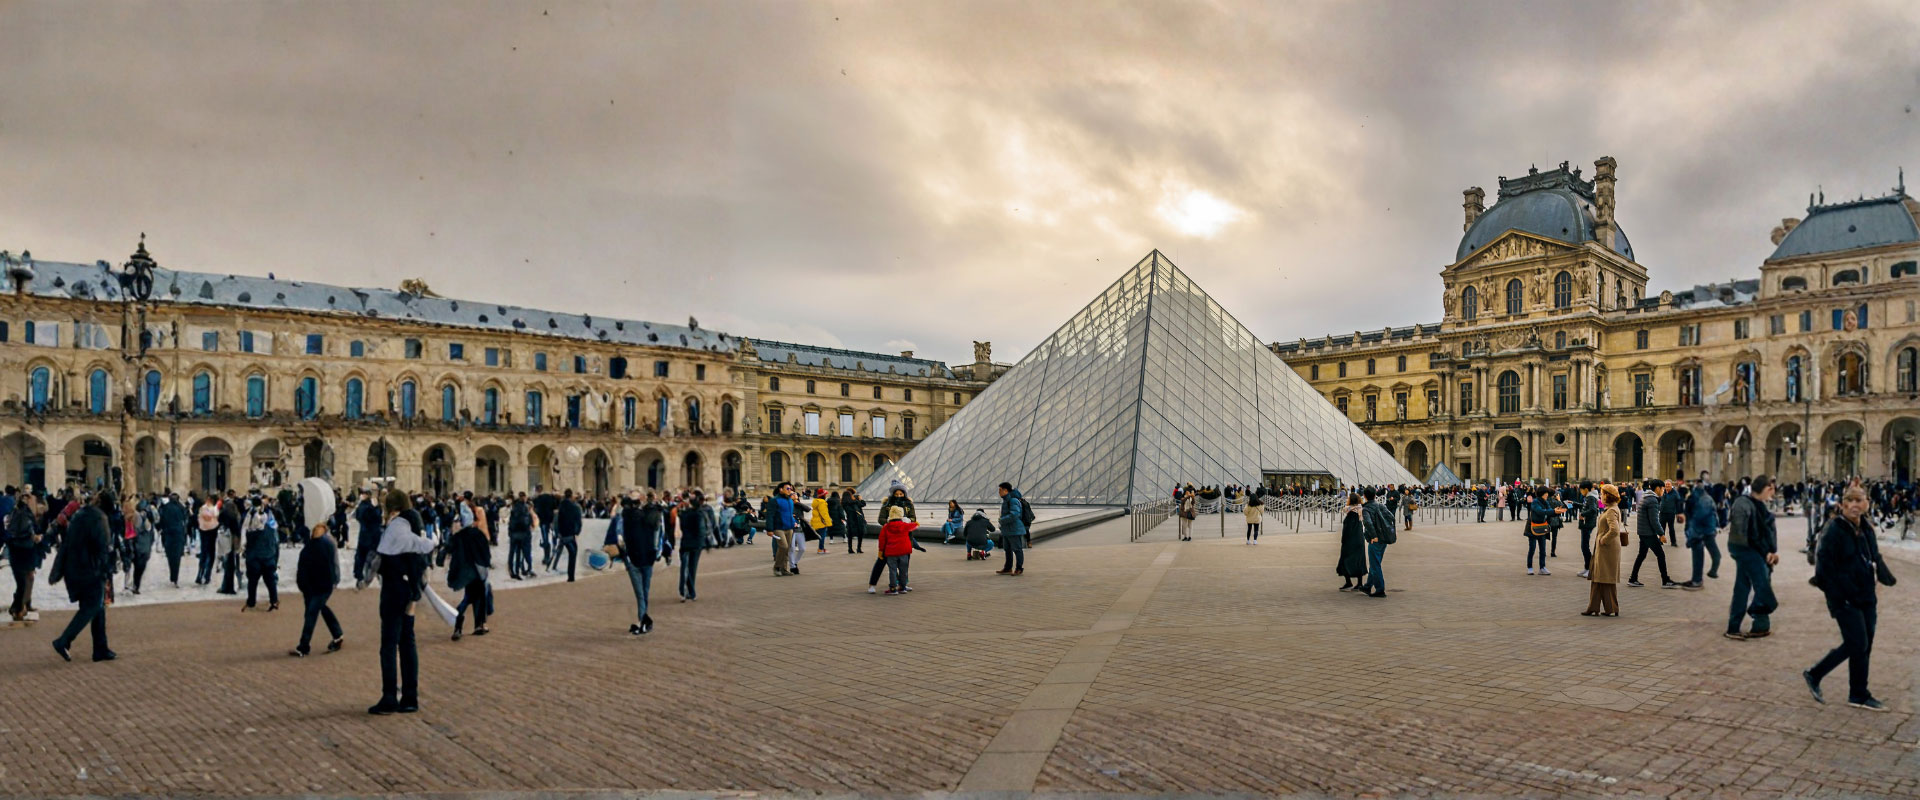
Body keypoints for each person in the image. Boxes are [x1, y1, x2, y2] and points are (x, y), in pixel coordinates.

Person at [1805, 485, 1895, 711]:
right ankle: (1818, 675)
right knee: (1858, 643)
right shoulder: (1834, 530)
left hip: (1866, 595)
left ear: (1866, 504)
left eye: (1859, 500)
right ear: (1843, 505)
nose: (1855, 505)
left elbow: (1874, 556)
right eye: (1851, 501)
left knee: (1864, 645)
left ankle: (1857, 694)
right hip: (1845, 599)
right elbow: (1823, 569)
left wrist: (1887, 578)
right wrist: (1838, 597)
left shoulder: (1866, 528)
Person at [371, 489, 435, 715]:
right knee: (407, 642)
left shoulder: (398, 527)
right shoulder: (413, 523)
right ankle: (410, 697)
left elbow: (384, 555)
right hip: (409, 588)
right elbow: (420, 555)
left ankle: (389, 697)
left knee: (389, 644)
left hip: (394, 590)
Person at [52, 490, 117, 663]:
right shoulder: (99, 519)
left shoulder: (81, 514)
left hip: (75, 568)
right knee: (91, 606)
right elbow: (103, 547)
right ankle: (64, 640)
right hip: (90, 570)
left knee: (97, 606)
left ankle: (100, 648)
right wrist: (106, 568)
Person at [290, 478, 344, 657]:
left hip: (323, 584)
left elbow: (333, 563)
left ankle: (303, 646)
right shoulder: (312, 541)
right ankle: (337, 635)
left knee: (311, 613)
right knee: (320, 609)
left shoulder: (327, 542)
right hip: (311, 584)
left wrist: (335, 580)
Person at [1725, 475, 1779, 640]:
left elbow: (1763, 533)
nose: (1773, 493)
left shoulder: (1758, 505)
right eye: (1772, 489)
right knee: (1761, 584)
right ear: (1766, 488)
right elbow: (1750, 536)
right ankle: (1765, 609)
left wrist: (1771, 551)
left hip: (1750, 550)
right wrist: (1765, 553)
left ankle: (1734, 627)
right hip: (1745, 550)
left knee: (1742, 588)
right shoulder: (1744, 503)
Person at [442, 513, 492, 640]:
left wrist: (440, 560)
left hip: (464, 572)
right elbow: (486, 551)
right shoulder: (478, 534)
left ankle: (460, 626)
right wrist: (486, 564)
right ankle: (477, 625)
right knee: (476, 597)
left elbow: (447, 548)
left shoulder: (458, 536)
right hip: (477, 570)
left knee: (469, 597)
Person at [1582, 483, 1624, 617]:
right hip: (1606, 548)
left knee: (1605, 578)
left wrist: (1603, 540)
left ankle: (1610, 608)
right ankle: (1596, 607)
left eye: (1602, 494)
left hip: (1607, 548)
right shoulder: (1611, 508)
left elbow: (1615, 530)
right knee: (1598, 577)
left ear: (1607, 496)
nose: (1600, 496)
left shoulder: (1611, 510)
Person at [619, 493, 658, 635]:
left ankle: (643, 620)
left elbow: (621, 539)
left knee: (640, 593)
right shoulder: (650, 517)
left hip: (634, 559)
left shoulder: (625, 519)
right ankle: (643, 620)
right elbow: (656, 535)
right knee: (645, 591)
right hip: (648, 557)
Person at [1628, 480, 1677, 588]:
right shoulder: (1652, 500)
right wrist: (1661, 534)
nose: (1663, 491)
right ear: (1658, 488)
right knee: (1660, 555)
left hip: (1643, 532)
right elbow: (1654, 520)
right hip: (1648, 533)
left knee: (1641, 555)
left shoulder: (1646, 497)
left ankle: (1633, 578)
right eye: (1663, 488)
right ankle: (1665, 580)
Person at [1680, 478, 1721, 590]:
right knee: (1700, 555)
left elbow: (1698, 519)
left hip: (1702, 532)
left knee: (1700, 555)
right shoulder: (1702, 498)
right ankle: (1697, 579)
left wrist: (1692, 537)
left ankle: (1697, 580)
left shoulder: (1702, 499)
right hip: (1705, 531)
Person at [242, 495, 280, 612]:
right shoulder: (270, 519)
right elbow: (275, 535)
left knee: (253, 581)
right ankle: (274, 600)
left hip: (255, 555)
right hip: (268, 554)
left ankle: (251, 602)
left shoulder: (250, 517)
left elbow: (246, 530)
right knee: (270, 580)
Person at [7, 493, 41, 622]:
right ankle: (18, 608)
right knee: (24, 580)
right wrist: (34, 537)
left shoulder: (20, 513)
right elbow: (24, 531)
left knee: (27, 579)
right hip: (23, 550)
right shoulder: (23, 515)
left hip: (22, 550)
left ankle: (22, 606)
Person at [1355, 488, 1395, 598]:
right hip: (1384, 539)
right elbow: (1391, 517)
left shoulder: (1366, 509)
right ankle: (1367, 586)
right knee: (1375, 563)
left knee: (1375, 565)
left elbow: (1367, 523)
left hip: (1376, 540)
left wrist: (1374, 536)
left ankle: (1380, 589)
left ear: (1365, 496)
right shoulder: (1380, 506)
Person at [677, 491, 712, 601]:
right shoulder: (700, 514)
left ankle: (685, 591)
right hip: (697, 544)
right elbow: (702, 530)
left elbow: (682, 528)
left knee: (684, 568)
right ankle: (691, 592)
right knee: (692, 568)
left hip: (686, 543)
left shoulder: (684, 514)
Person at [878, 506, 922, 593]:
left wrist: (881, 551)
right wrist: (916, 523)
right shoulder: (905, 525)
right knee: (903, 570)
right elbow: (914, 525)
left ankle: (893, 588)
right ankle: (903, 587)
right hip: (904, 551)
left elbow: (882, 540)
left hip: (891, 552)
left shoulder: (886, 527)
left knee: (893, 570)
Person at [157, 493, 189, 588]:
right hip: (178, 535)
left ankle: (173, 576)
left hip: (168, 535)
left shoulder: (165, 508)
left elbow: (161, 521)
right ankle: (175, 577)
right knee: (177, 557)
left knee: (170, 556)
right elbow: (185, 519)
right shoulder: (181, 507)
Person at [996, 482, 1029, 575]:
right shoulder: (1006, 500)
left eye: (1000, 490)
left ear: (1006, 490)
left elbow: (1015, 514)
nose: (999, 492)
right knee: (1007, 549)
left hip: (1014, 529)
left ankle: (1019, 568)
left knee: (1017, 549)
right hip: (1007, 529)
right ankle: (1008, 568)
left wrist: (1002, 520)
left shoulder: (1013, 500)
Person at [1337, 493, 1368, 591]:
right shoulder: (1360, 509)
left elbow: (1347, 528)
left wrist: (1343, 539)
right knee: (1359, 560)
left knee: (1345, 560)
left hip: (1350, 540)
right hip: (1359, 539)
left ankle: (1348, 582)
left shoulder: (1349, 511)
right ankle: (1359, 583)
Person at [352, 485, 382, 583]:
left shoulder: (362, 505)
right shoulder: (369, 505)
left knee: (362, 556)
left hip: (366, 534)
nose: (362, 495)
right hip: (371, 534)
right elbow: (377, 518)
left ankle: (360, 575)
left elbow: (358, 517)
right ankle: (364, 575)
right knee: (369, 556)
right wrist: (376, 507)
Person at [768, 482, 798, 576]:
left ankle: (784, 569)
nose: (790, 490)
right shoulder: (774, 500)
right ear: (781, 489)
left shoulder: (789, 500)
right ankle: (777, 567)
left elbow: (789, 514)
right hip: (778, 527)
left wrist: (793, 522)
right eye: (788, 488)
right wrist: (769, 529)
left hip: (789, 527)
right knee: (783, 546)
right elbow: (770, 515)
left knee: (787, 549)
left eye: (791, 489)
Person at [555, 489, 583, 581]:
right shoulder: (575, 507)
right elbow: (578, 521)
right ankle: (571, 576)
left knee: (561, 551)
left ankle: (554, 566)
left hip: (563, 533)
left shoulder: (561, 506)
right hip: (571, 534)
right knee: (573, 553)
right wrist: (577, 531)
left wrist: (558, 532)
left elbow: (558, 520)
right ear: (571, 496)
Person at [1526, 488, 1554, 575]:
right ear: (1542, 494)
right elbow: (1540, 512)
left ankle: (1542, 567)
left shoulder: (1546, 502)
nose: (1547, 495)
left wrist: (1556, 511)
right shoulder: (1535, 502)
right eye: (1546, 493)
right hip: (1533, 528)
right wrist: (1553, 511)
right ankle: (1530, 567)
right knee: (1532, 548)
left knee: (1543, 549)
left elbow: (1549, 511)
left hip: (1542, 527)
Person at [506, 493, 534, 580]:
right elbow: (526, 521)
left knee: (512, 552)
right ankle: (519, 570)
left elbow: (511, 521)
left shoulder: (514, 507)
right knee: (519, 553)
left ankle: (511, 570)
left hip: (514, 532)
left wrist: (510, 531)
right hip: (522, 532)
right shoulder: (524, 508)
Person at [1575, 481, 1599, 579]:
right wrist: (1573, 504)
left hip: (1587, 524)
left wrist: (1583, 514)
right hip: (1587, 524)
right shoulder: (1589, 497)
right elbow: (1586, 506)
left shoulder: (1590, 497)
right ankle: (1586, 567)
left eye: (1581, 490)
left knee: (1585, 547)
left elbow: (1593, 509)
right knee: (1584, 546)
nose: (1580, 492)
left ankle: (1590, 569)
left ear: (1585, 489)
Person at [195, 494, 220, 585]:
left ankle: (200, 574)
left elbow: (199, 517)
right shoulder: (214, 509)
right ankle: (207, 575)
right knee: (211, 553)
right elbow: (216, 517)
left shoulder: (202, 508)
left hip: (203, 530)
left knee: (204, 553)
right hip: (212, 531)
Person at [842, 488, 865, 554]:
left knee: (850, 535)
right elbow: (862, 505)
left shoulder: (844, 503)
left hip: (850, 520)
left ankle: (850, 549)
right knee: (860, 534)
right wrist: (860, 499)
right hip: (858, 519)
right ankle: (859, 548)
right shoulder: (855, 501)